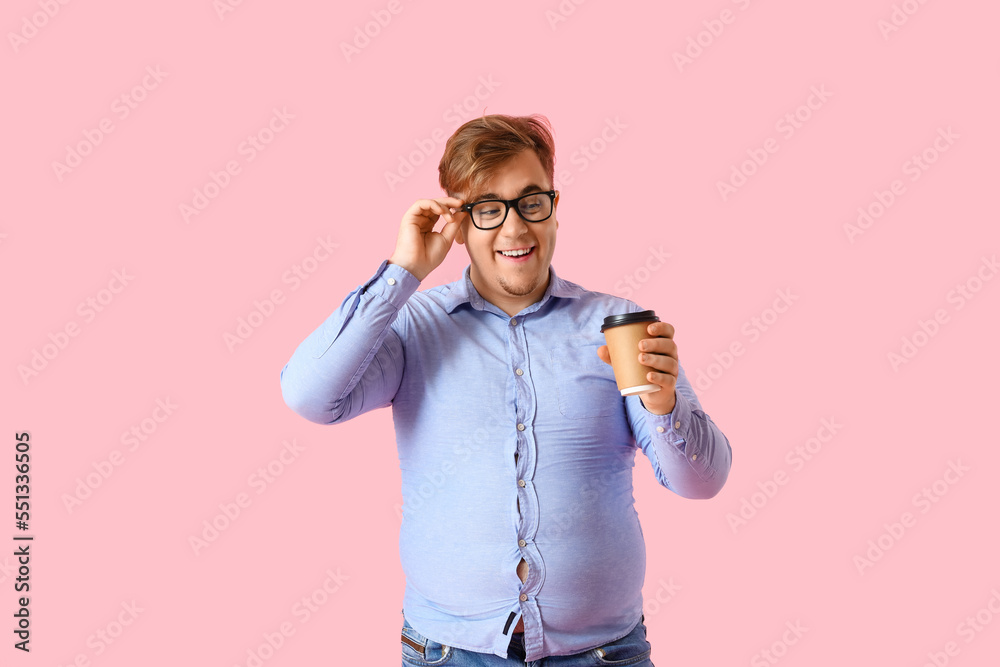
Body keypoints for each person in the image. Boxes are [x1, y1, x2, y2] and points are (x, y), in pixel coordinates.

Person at [279, 114, 732, 665]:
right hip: (449, 653)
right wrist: (401, 272)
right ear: (458, 220)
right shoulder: (412, 325)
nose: (515, 229)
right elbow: (309, 397)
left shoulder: (619, 324)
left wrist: (664, 406)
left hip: (605, 654)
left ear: (555, 207)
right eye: (488, 209)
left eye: (530, 201)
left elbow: (701, 483)